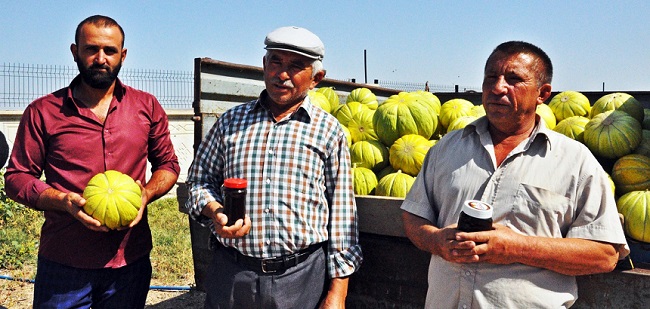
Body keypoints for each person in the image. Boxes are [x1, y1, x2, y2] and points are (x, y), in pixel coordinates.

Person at [401, 41, 629, 308]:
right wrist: (436, 241)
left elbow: (604, 255)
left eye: (513, 79)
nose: (498, 88)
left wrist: (516, 247)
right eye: (491, 77)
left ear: (542, 93)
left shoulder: (575, 161)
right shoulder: (446, 149)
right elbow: (414, 215)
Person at [5, 15, 180, 308]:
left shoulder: (146, 106)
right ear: (75, 52)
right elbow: (17, 177)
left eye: (110, 51)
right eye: (91, 49)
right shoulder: (43, 111)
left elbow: (168, 166)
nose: (100, 58)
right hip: (65, 260)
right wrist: (63, 201)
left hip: (129, 260)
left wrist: (145, 194)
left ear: (122, 55)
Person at [185, 26, 362, 309]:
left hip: (301, 278)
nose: (282, 74)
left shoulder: (329, 131)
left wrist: (337, 293)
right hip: (232, 274)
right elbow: (198, 183)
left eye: (295, 66)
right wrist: (215, 211)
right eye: (276, 62)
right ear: (264, 65)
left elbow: (342, 215)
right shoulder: (230, 122)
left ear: (317, 78)